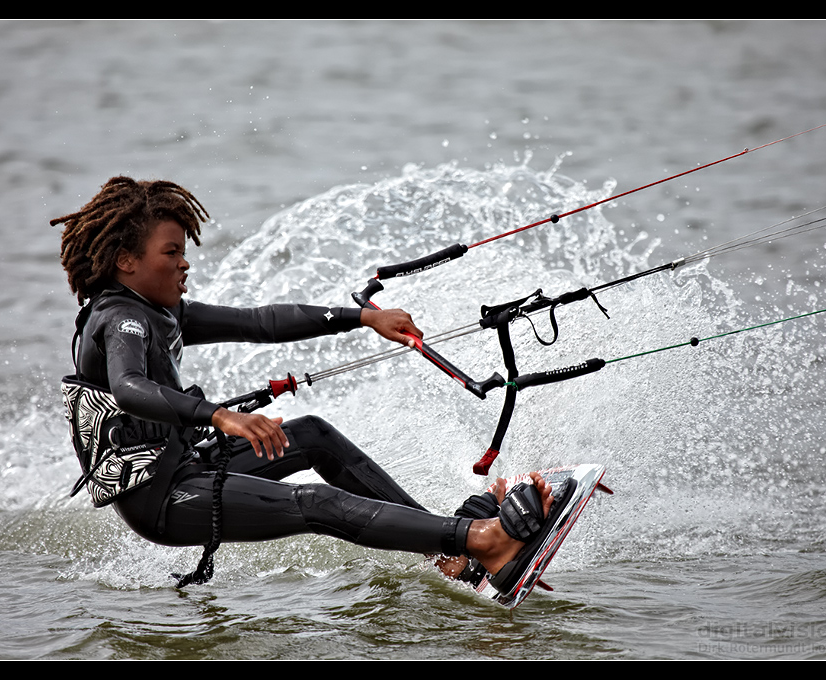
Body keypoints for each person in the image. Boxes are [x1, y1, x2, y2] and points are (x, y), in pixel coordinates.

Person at [53, 176, 553, 587]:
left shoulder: (160, 312)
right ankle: (482, 541)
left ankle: (448, 551)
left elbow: (260, 322)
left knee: (312, 435)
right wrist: (220, 416)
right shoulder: (120, 320)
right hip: (161, 501)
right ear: (126, 260)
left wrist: (362, 318)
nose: (185, 263)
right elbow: (128, 387)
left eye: (183, 251)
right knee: (316, 504)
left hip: (183, 466)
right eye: (171, 253)